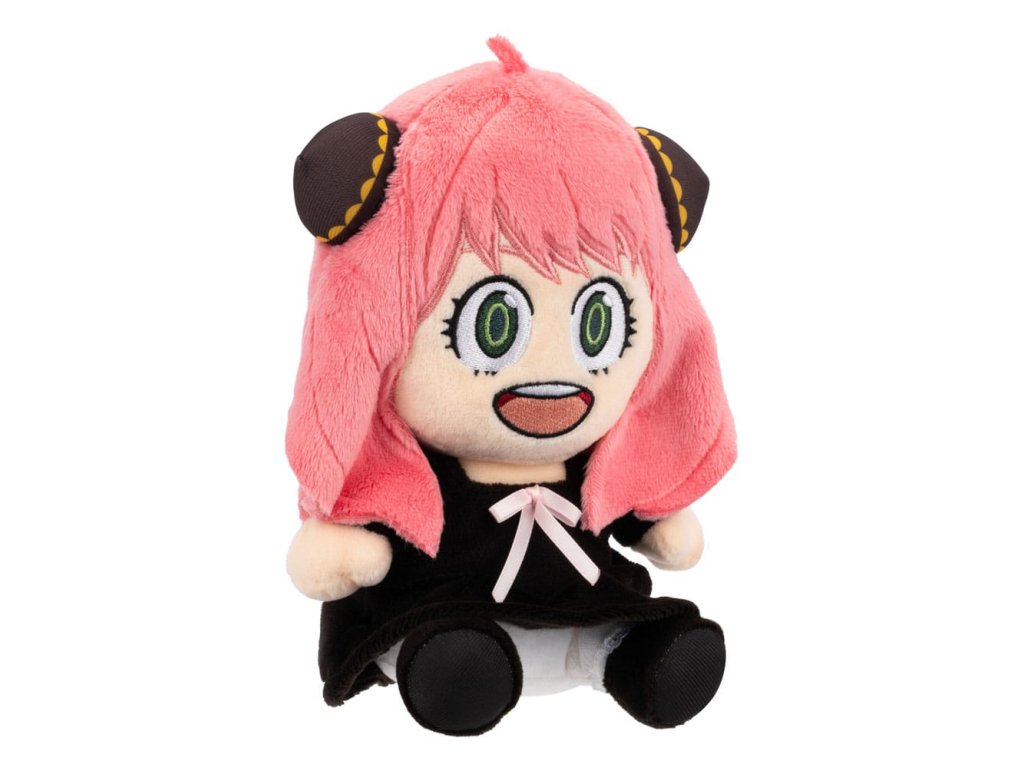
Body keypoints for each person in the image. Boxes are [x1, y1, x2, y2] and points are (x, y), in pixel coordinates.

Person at [285, 37, 736, 735]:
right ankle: (452, 669)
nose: (554, 371)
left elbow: (624, 505)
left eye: (599, 326)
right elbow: (352, 552)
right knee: (424, 627)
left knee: (621, 619)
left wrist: (651, 519)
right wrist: (344, 539)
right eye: (495, 325)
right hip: (439, 607)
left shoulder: (594, 466)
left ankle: (631, 659)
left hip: (580, 601)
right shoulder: (415, 480)